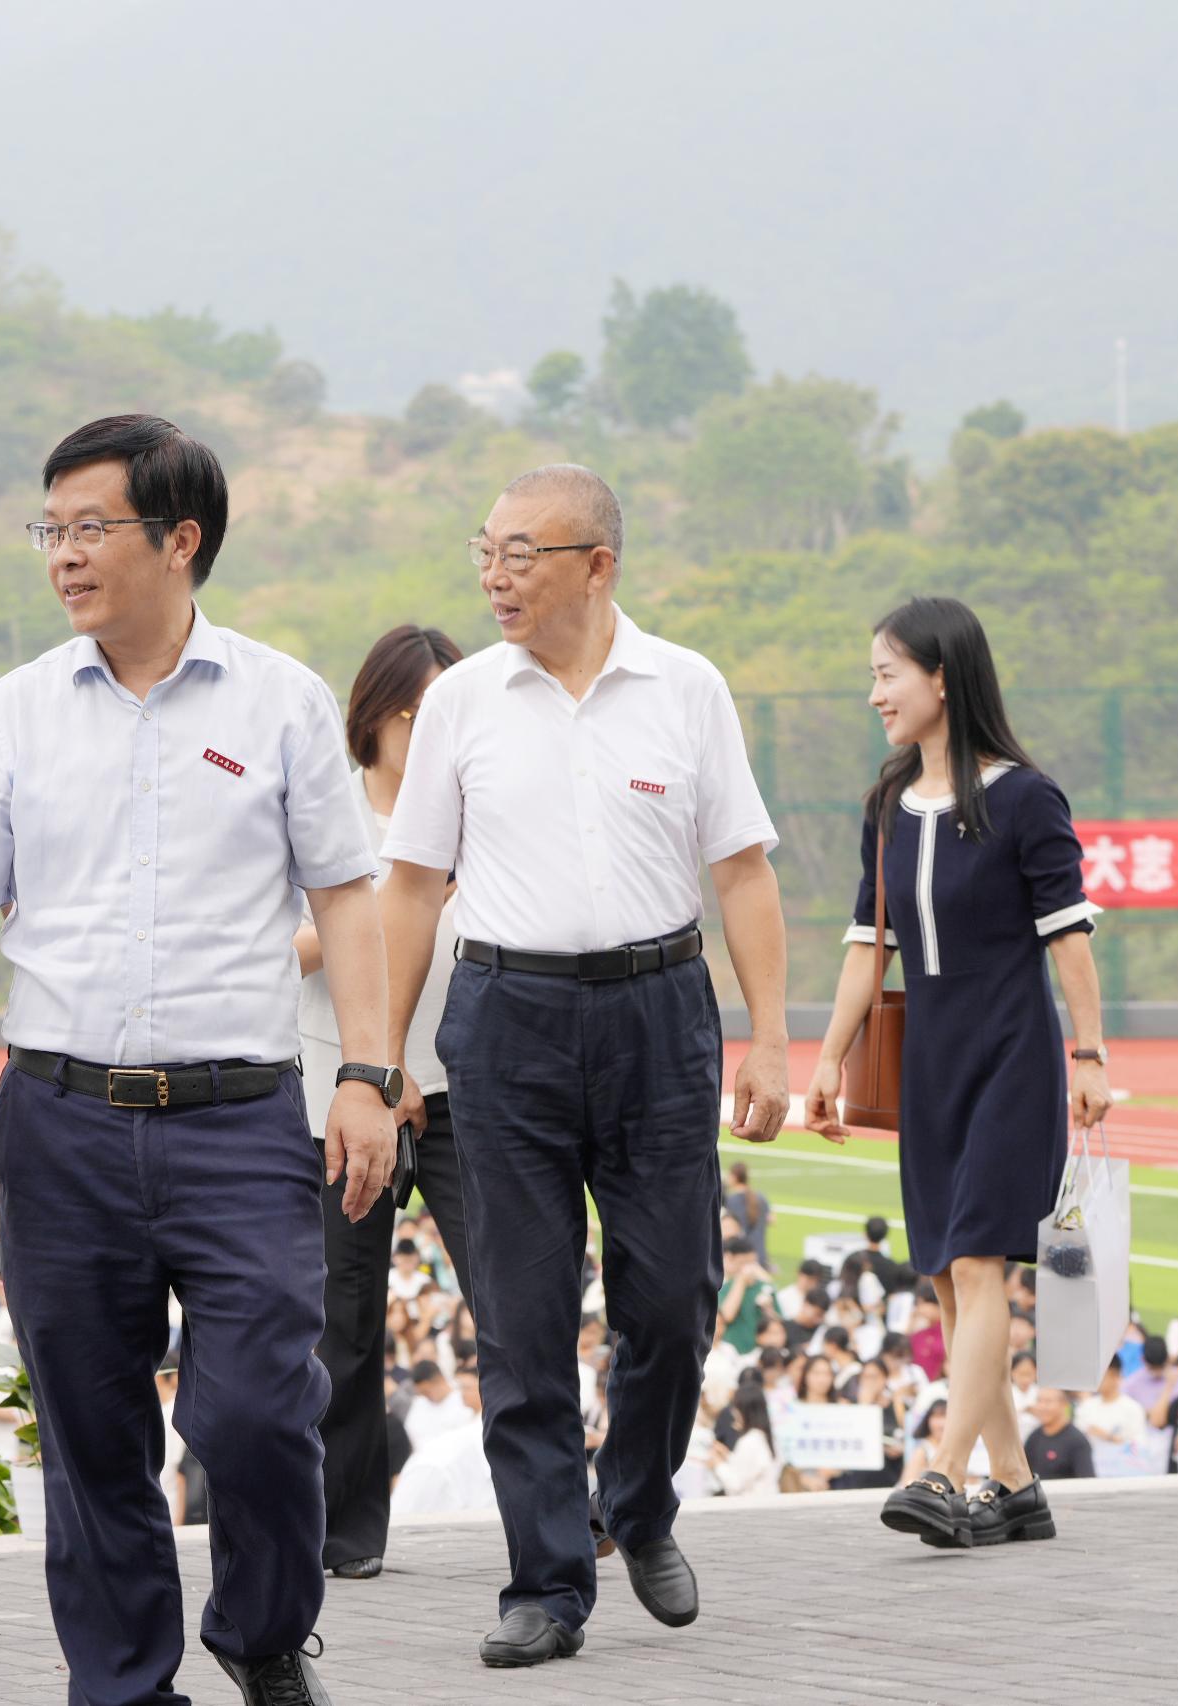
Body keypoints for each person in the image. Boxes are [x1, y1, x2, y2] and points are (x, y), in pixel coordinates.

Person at [0, 414, 397, 1706]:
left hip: (238, 1120)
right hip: (61, 1117)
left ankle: (263, 1630)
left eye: (91, 527)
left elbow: (347, 899)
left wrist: (367, 1074)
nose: (63, 554)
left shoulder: (280, 701)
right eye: (50, 529)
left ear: (180, 540)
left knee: (258, 1409)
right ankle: (122, 1682)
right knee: (91, 1427)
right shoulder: (16, 712)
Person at [379, 463, 790, 1667]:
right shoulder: (460, 700)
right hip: (506, 1019)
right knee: (521, 1313)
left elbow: (742, 870)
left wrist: (771, 1035)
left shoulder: (685, 686)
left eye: (522, 554)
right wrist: (378, 1055)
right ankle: (545, 1582)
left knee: (672, 1297)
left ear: (597, 565)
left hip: (661, 1015)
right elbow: (411, 884)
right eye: (485, 551)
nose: (495, 576)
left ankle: (638, 1503)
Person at [803, 596, 1109, 1551]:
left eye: (886, 674)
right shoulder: (888, 807)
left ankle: (943, 1471)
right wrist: (828, 1059)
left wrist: (1090, 1054)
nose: (874, 694)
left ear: (941, 677)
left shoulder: (1026, 799)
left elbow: (1069, 938)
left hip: (1014, 1054)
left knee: (979, 1263)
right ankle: (1016, 1487)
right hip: (928, 1063)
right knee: (944, 1274)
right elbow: (870, 945)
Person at [303, 622, 477, 1583]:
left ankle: (558, 1506)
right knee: (346, 1315)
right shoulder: (323, 809)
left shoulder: (477, 813)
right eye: (418, 712)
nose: (433, 730)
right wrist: (390, 903)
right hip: (341, 1094)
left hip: (456, 1087)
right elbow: (285, 949)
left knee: (510, 1298)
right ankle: (345, 1528)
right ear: (374, 714)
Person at [1021, 1389, 1094, 1486]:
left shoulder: (1077, 1441)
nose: (1042, 1406)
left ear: (1064, 1404)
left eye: (1048, 1402)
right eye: (1039, 1401)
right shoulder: (1034, 1437)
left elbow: (1088, 1483)